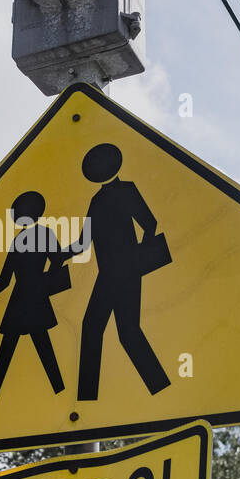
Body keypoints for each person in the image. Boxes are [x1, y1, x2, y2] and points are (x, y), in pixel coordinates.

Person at [74, 143, 171, 400]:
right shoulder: (99, 199)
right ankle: (87, 398)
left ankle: (159, 389)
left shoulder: (124, 191)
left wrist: (136, 258)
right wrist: (58, 254)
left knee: (120, 331)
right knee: (104, 329)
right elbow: (84, 242)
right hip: (110, 275)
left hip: (124, 273)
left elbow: (149, 223)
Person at [0, 190, 68, 404]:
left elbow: (5, 280)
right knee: (19, 347)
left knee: (36, 346)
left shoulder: (28, 238)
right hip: (28, 299)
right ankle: (60, 393)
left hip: (25, 299)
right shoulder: (23, 239)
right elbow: (6, 278)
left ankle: (60, 395)